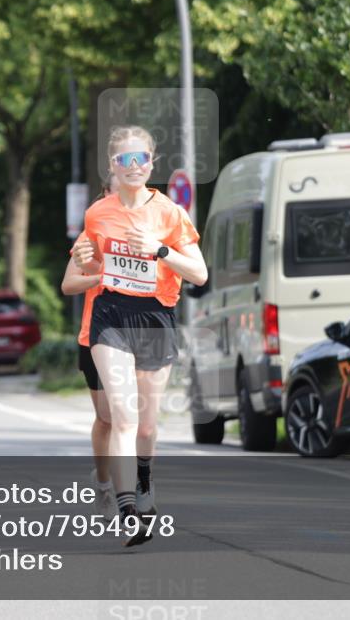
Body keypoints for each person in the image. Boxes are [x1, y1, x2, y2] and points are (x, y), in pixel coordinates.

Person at [74, 126, 207, 547]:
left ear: (151, 162)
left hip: (155, 316)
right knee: (123, 416)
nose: (133, 167)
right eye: (124, 160)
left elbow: (200, 274)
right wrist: (83, 259)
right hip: (110, 314)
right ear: (112, 165)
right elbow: (85, 265)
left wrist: (159, 250)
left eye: (140, 160)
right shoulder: (98, 213)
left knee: (147, 428)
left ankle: (144, 475)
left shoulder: (169, 213)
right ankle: (128, 508)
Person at [61, 175, 120, 522]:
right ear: (106, 194)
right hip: (96, 336)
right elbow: (68, 284)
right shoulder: (91, 234)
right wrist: (102, 278)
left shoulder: (151, 231)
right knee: (107, 418)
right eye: (116, 186)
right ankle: (103, 484)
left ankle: (134, 489)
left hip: (137, 334)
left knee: (135, 419)